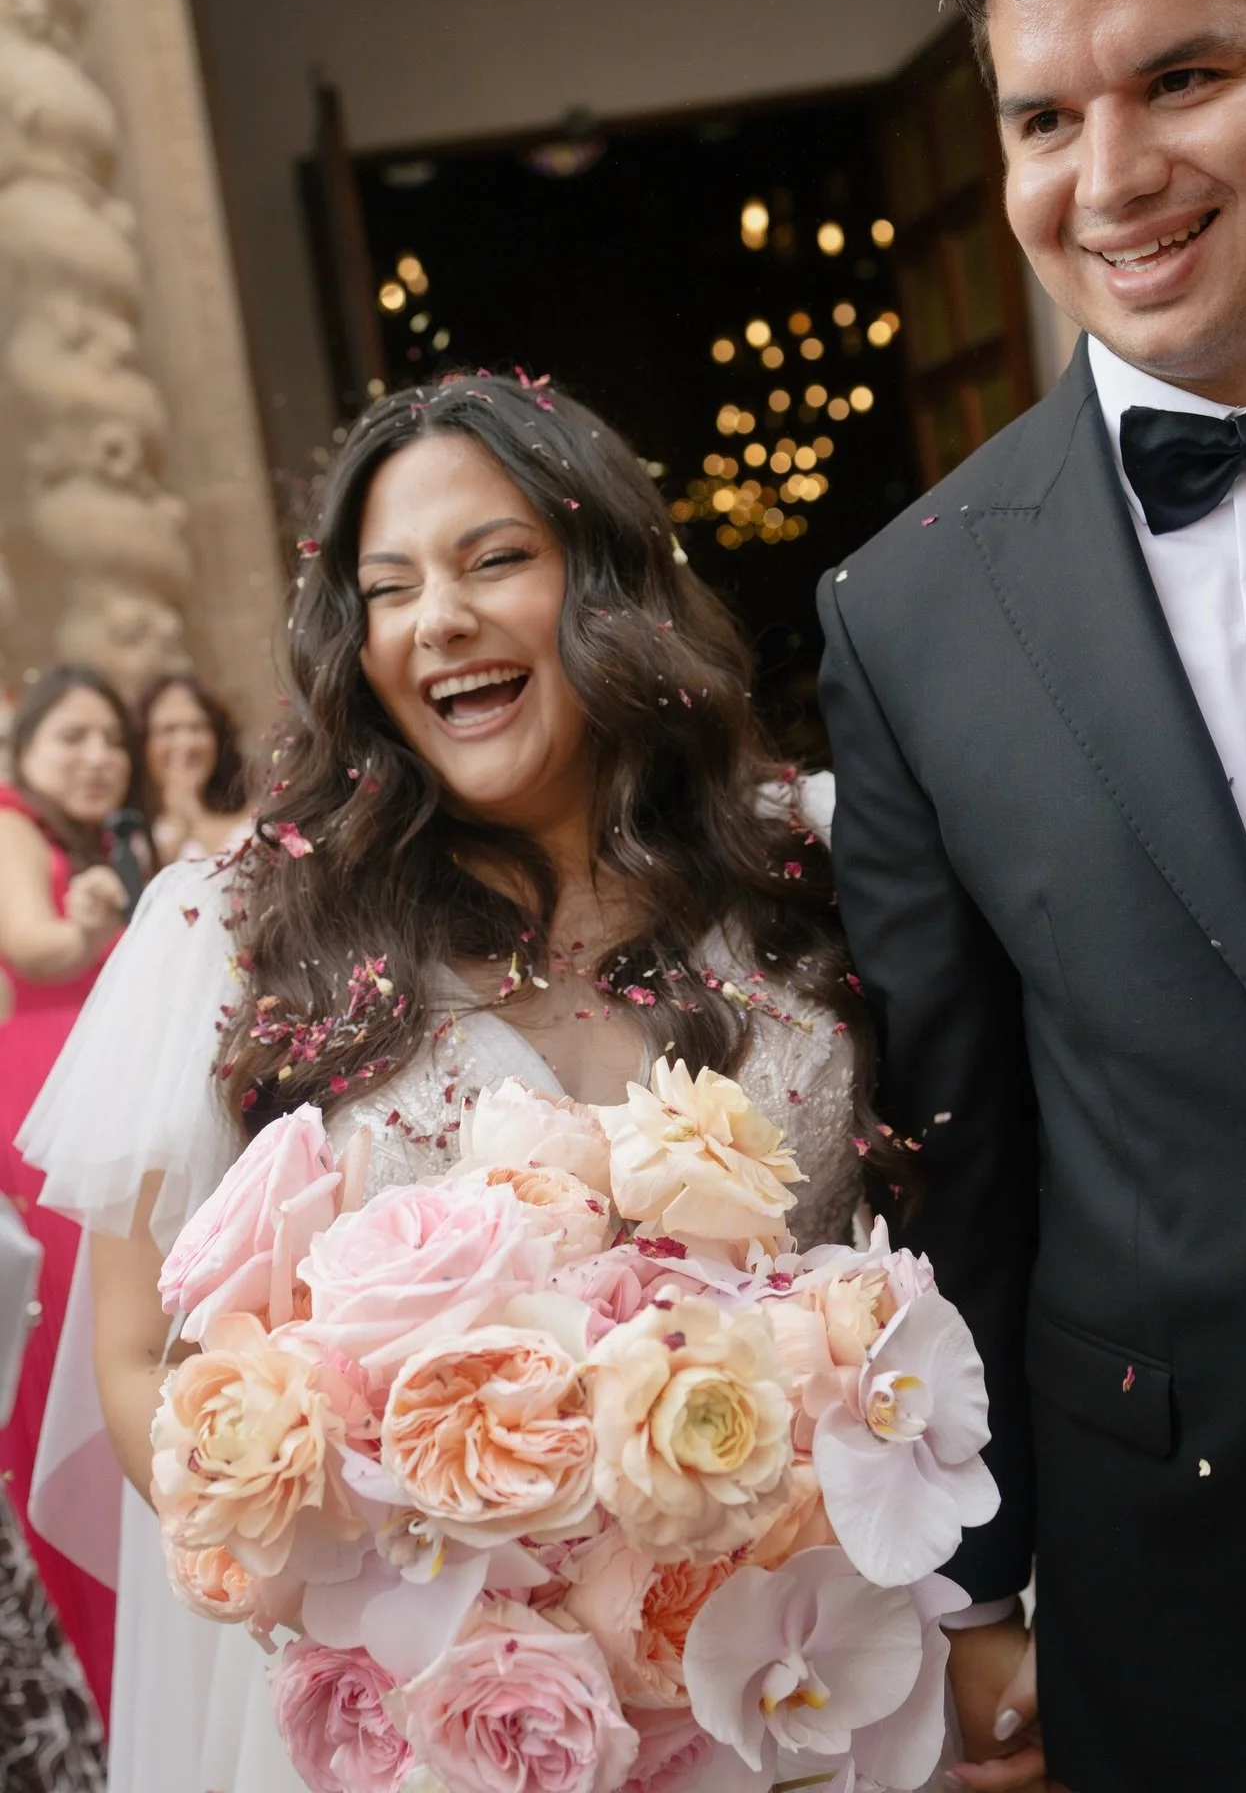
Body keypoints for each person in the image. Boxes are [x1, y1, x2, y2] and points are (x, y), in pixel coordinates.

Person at [20, 372, 874, 1793]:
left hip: (815, 1673)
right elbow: (138, 1363)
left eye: (497, 561)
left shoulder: (817, 868)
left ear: (606, 580)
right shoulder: (235, 940)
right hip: (458, 1721)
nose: (442, 621)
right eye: (391, 588)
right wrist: (398, 1612)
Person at [818, 0, 1246, 1788]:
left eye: (1181, 76)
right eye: (1042, 117)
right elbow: (962, 1149)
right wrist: (978, 1593)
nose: (1113, 175)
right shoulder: (907, 612)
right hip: (1200, 1591)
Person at [0, 665, 146, 1729]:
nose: (99, 756)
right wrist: (96, 916)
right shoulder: (10, 823)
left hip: (89, 1098)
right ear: (26, 753)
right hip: (41, 1107)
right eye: (74, 738)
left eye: (112, 739)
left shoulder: (92, 839)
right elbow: (35, 947)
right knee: (73, 1357)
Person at [135, 673, 252, 864]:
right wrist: (180, 824)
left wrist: (194, 814)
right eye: (169, 730)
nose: (186, 743)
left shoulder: (253, 816)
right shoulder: (130, 835)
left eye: (198, 727)